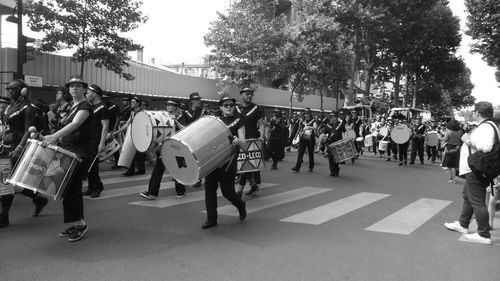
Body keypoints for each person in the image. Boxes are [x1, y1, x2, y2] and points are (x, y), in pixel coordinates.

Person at [42, 75, 93, 242]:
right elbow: (65, 125)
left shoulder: (85, 106)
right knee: (66, 188)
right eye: (72, 86)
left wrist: (54, 136)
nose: (74, 88)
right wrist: (54, 137)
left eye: (78, 86)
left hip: (80, 152)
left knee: (72, 188)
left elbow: (76, 124)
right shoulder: (73, 106)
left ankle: (81, 224)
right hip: (69, 150)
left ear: (84, 89)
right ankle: (76, 222)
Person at [444, 101, 498, 245]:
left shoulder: (486, 127)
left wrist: (468, 141)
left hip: (477, 168)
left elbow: (486, 147)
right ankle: (463, 224)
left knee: (477, 201)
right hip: (475, 168)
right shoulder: (490, 126)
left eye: (474, 111)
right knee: (468, 196)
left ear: (477, 113)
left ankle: (483, 234)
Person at [0, 80, 49, 229]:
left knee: (5, 183)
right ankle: (38, 199)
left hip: (15, 147)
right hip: (5, 146)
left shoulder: (28, 108)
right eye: (8, 88)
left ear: (23, 91)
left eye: (13, 89)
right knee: (12, 181)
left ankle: (4, 217)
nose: (9, 91)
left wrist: (19, 148)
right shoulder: (10, 107)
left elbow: (29, 130)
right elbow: (7, 127)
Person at [201, 93, 247, 229]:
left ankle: (241, 205)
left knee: (227, 192)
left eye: (231, 105)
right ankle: (211, 219)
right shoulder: (214, 121)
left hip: (228, 160)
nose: (229, 107)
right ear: (220, 107)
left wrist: (238, 141)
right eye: (225, 105)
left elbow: (244, 144)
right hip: (213, 159)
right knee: (209, 188)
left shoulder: (239, 121)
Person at [139, 100, 187, 199]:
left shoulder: (181, 117)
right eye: (167, 105)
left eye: (171, 105)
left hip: (177, 146)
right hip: (165, 145)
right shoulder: (163, 117)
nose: (168, 106)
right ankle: (152, 192)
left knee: (179, 168)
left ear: (175, 107)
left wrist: (176, 122)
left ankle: (181, 190)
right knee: (159, 168)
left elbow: (186, 129)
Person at [236, 87, 265, 197]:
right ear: (241, 95)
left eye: (251, 94)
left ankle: (239, 192)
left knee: (245, 166)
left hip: (252, 140)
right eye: (247, 94)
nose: (249, 96)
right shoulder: (236, 108)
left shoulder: (256, 108)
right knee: (244, 165)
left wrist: (262, 137)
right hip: (240, 140)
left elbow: (261, 124)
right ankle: (253, 186)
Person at [83, 84, 109, 198]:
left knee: (93, 166)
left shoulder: (103, 107)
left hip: (96, 141)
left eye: (88, 93)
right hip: (88, 140)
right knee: (88, 165)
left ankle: (98, 186)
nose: (87, 95)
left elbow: (105, 126)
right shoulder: (90, 106)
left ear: (94, 93)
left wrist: (102, 143)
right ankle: (90, 187)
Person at [113, 96, 145, 176]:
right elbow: (127, 124)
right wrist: (117, 132)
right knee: (134, 153)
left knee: (138, 153)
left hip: (139, 135)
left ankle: (138, 170)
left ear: (138, 103)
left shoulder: (142, 113)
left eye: (133, 102)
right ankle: (135, 170)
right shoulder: (133, 112)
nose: (131, 103)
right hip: (133, 135)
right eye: (131, 102)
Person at [291, 108, 317, 173]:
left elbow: (315, 127)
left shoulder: (313, 120)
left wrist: (309, 127)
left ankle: (311, 166)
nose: (306, 114)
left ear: (310, 113)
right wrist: (295, 136)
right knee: (300, 152)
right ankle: (297, 167)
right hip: (303, 138)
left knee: (310, 153)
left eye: (307, 113)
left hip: (310, 139)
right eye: (305, 113)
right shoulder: (302, 120)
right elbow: (299, 129)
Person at [326, 112, 346, 177]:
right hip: (330, 143)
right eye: (330, 117)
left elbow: (345, 132)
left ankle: (336, 169)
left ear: (335, 118)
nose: (330, 119)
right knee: (330, 158)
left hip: (338, 143)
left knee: (336, 158)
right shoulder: (328, 125)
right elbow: (324, 133)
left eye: (331, 117)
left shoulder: (340, 124)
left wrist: (345, 141)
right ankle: (332, 171)